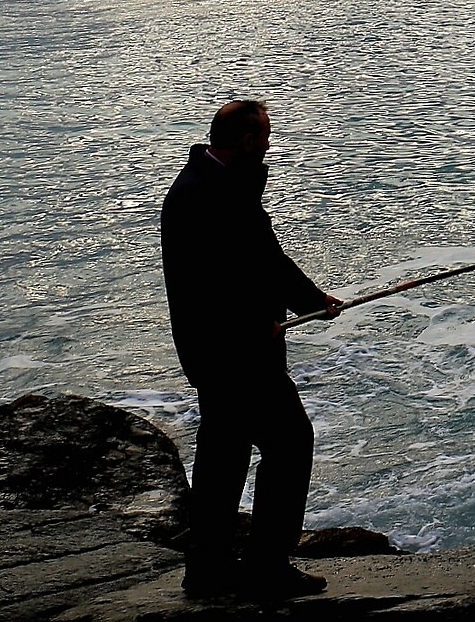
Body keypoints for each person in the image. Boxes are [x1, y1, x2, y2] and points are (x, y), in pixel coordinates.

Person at [160, 99, 346, 599]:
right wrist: (291, 308)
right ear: (246, 141)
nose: (268, 146)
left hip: (215, 350)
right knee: (289, 442)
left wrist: (312, 301)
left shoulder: (211, 183)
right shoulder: (210, 193)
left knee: (224, 454)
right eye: (263, 137)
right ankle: (264, 565)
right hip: (236, 353)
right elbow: (243, 269)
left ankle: (208, 570)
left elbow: (261, 260)